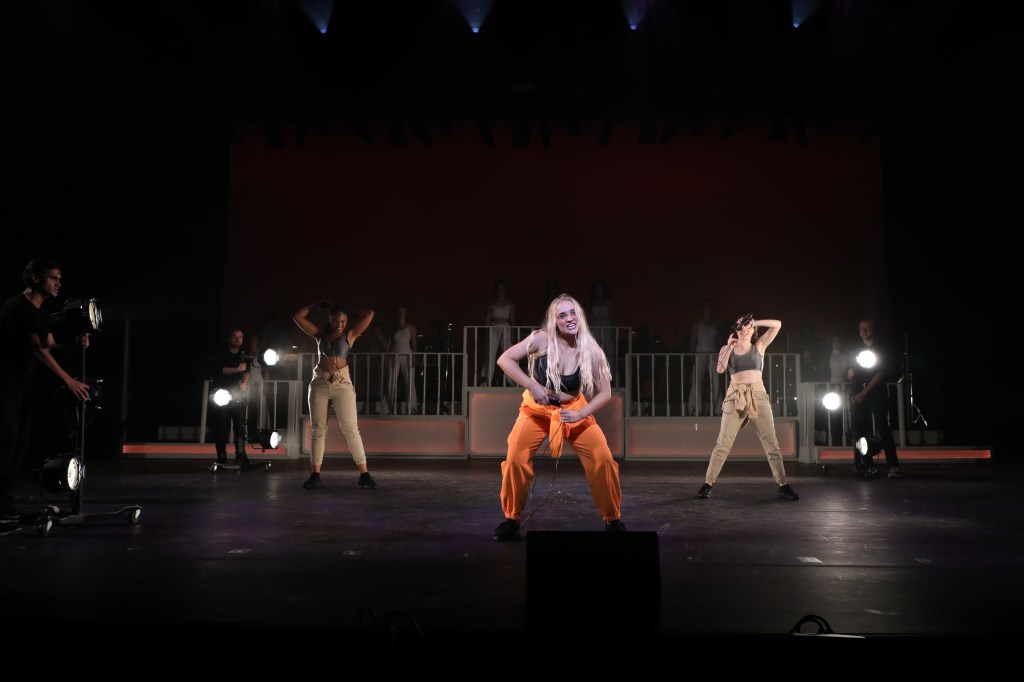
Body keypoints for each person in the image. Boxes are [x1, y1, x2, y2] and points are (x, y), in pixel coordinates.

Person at [492, 293, 625, 540]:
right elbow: (504, 359)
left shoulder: (591, 350)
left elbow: (605, 393)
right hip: (536, 411)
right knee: (515, 459)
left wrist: (581, 413)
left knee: (603, 460)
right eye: (562, 315)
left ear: (580, 316)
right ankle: (511, 519)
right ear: (555, 321)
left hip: (574, 410)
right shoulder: (542, 339)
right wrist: (532, 386)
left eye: (573, 313)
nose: (569, 318)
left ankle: (613, 519)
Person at [0, 258, 91, 521]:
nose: (58, 283)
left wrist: (74, 344)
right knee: (6, 443)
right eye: (53, 278)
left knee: (19, 445)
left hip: (22, 386)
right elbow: (38, 349)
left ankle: (5, 506)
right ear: (36, 278)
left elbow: (48, 344)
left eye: (59, 279)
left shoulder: (40, 311)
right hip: (5, 385)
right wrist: (68, 380)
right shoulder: (19, 307)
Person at [697, 314, 799, 501]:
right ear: (735, 330)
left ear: (753, 330)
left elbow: (777, 324)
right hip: (735, 396)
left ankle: (783, 485)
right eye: (741, 326)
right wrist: (729, 347)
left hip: (758, 394)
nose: (744, 330)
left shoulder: (759, 346)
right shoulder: (727, 348)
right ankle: (708, 484)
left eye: (748, 327)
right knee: (723, 442)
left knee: (771, 442)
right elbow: (720, 369)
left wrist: (754, 322)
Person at [293, 299, 377, 490]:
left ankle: (364, 474)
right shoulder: (320, 335)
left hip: (342, 383)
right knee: (318, 430)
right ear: (330, 319)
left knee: (351, 429)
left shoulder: (350, 334)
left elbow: (370, 313)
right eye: (336, 321)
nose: (340, 324)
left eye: (343, 321)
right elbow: (297, 316)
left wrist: (350, 314)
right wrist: (315, 306)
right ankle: (315, 475)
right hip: (320, 382)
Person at [847, 318, 902, 479]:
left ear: (873, 330)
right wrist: (850, 373)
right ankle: (866, 464)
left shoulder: (881, 348)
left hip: (876, 393)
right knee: (859, 429)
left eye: (867, 328)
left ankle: (893, 466)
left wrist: (864, 393)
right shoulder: (855, 349)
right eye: (861, 328)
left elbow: (880, 373)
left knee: (882, 427)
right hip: (859, 392)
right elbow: (851, 370)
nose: (864, 331)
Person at [209, 327, 251, 467]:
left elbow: (247, 371)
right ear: (229, 338)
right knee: (222, 426)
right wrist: (237, 369)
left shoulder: (243, 354)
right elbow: (221, 370)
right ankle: (221, 456)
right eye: (235, 336)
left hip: (237, 393)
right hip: (221, 393)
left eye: (240, 337)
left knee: (240, 426)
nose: (238, 339)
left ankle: (241, 454)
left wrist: (244, 383)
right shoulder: (221, 352)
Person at [688, 299, 723, 416]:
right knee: (697, 381)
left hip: (714, 354)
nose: (708, 309)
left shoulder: (716, 324)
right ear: (702, 309)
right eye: (706, 307)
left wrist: (722, 356)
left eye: (710, 307)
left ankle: (718, 408)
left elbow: (719, 342)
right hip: (700, 354)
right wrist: (692, 356)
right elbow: (693, 340)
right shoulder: (698, 324)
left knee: (716, 381)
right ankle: (695, 408)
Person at [384, 305, 418, 415]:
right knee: (391, 381)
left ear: (406, 313)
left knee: (409, 381)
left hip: (407, 355)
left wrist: (414, 356)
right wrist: (386, 357)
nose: (401, 314)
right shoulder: (393, 327)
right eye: (399, 312)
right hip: (394, 355)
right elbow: (389, 343)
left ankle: (412, 407)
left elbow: (414, 342)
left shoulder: (411, 327)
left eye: (403, 312)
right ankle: (389, 407)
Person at [483, 280, 516, 386]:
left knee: (507, 353)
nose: (500, 290)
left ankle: (512, 381)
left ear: (505, 290)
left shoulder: (510, 303)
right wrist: (486, 333)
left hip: (506, 327)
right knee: (491, 354)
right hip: (493, 327)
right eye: (498, 288)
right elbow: (488, 318)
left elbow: (512, 319)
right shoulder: (492, 302)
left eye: (502, 288)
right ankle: (487, 381)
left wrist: (513, 334)